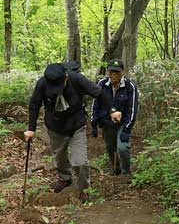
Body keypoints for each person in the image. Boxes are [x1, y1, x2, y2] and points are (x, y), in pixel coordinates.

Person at [25, 63, 118, 194]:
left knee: (79, 161)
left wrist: (112, 110)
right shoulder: (42, 84)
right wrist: (31, 128)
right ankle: (65, 178)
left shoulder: (77, 79)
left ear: (66, 78)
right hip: (55, 126)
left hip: (76, 126)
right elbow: (34, 104)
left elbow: (98, 93)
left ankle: (84, 189)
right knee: (59, 158)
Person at [91, 58, 139, 177]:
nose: (113, 74)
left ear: (122, 72)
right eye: (111, 72)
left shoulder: (130, 86)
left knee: (122, 148)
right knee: (110, 148)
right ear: (108, 72)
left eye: (116, 72)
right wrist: (94, 123)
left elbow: (132, 110)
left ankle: (126, 172)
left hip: (123, 123)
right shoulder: (101, 84)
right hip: (107, 123)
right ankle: (115, 169)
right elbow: (95, 104)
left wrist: (127, 129)